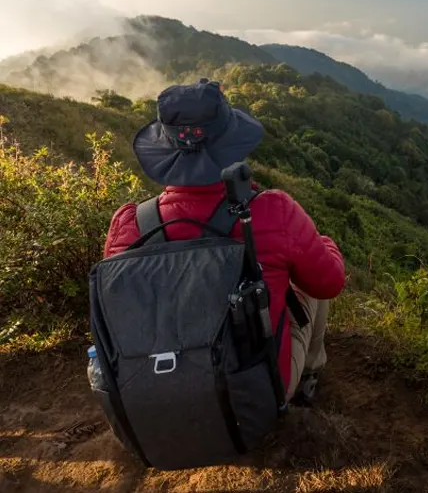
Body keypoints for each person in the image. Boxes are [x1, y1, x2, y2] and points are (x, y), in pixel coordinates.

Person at [102, 78, 346, 406]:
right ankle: (307, 378)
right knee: (305, 279)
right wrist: (325, 243)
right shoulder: (273, 211)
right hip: (253, 395)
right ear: (232, 144)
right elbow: (329, 283)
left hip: (154, 397)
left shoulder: (129, 224)